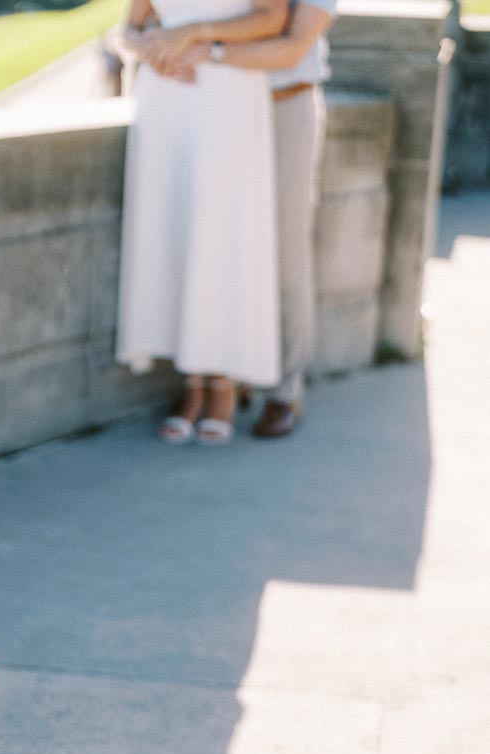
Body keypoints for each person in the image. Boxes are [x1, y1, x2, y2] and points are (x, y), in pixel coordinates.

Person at [138, 0, 337, 437]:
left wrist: (205, 49)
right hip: (218, 108)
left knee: (285, 255)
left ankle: (285, 390)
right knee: (218, 244)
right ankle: (223, 372)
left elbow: (289, 47)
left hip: (283, 107)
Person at [117, 0, 289, 445]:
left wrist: (193, 33)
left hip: (227, 93)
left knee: (224, 234)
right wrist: (154, 52)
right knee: (174, 231)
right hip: (166, 97)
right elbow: (127, 31)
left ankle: (224, 388)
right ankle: (192, 387)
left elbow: (273, 17)